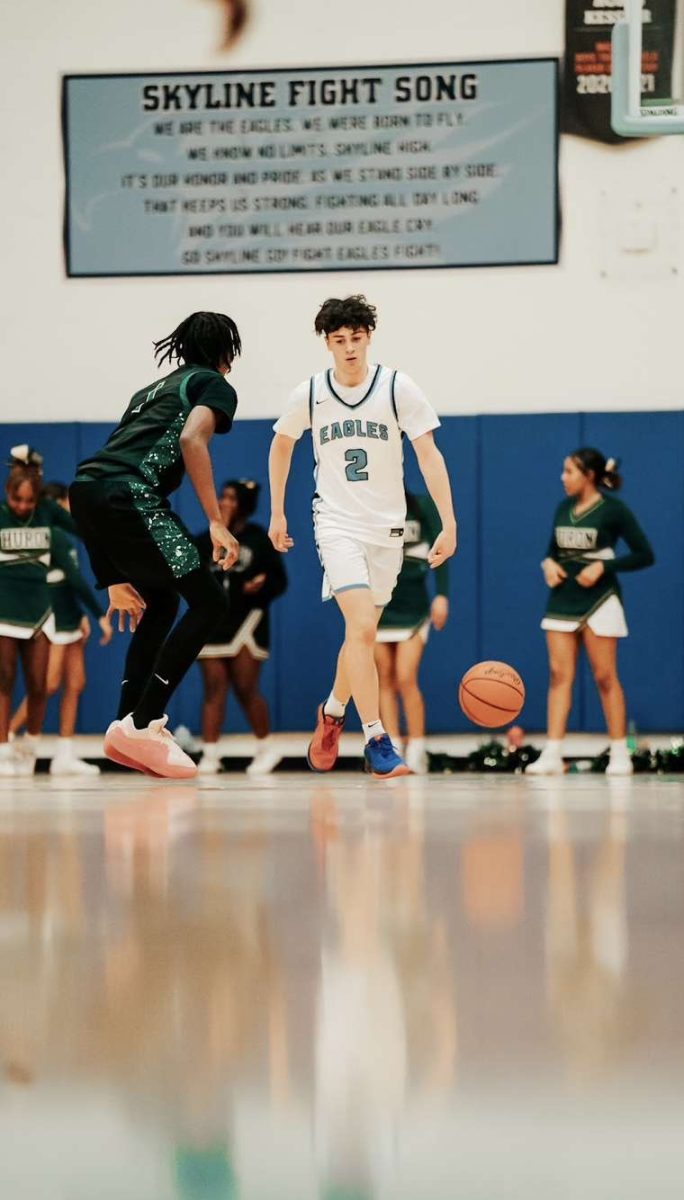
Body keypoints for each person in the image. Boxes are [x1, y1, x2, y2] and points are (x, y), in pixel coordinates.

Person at [268, 294, 457, 779]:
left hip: (386, 530)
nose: (349, 348)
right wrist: (277, 513)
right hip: (335, 523)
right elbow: (282, 445)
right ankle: (376, 739)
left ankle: (332, 712)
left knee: (360, 634)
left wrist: (448, 522)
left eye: (356, 338)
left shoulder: (397, 387)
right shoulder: (309, 393)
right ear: (326, 343)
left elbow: (429, 455)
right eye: (339, 340)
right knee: (364, 630)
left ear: (368, 337)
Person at [69, 311, 242, 779]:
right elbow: (191, 438)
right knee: (210, 602)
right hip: (130, 495)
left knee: (163, 602)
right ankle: (144, 724)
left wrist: (112, 578)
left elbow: (97, 481)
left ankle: (126, 724)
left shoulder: (148, 391)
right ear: (226, 354)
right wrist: (216, 521)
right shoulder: (213, 384)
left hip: (86, 489)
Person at [526, 448, 654, 777]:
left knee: (604, 676)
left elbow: (644, 554)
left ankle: (619, 752)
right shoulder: (563, 507)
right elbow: (552, 550)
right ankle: (553, 753)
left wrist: (604, 566)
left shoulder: (614, 510)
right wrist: (548, 564)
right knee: (558, 676)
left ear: (589, 475)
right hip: (562, 597)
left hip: (600, 598)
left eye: (569, 471)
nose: (563, 477)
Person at [10, 483, 113, 776]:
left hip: (70, 615)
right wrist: (98, 615)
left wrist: (80, 615)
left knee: (76, 683)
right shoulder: (52, 534)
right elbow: (75, 579)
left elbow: (68, 582)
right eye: (66, 502)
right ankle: (8, 739)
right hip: (53, 617)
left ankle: (64, 754)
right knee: (48, 684)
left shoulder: (61, 535)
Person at [196, 478, 287, 776]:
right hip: (213, 622)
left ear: (244, 505)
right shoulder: (203, 539)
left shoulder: (259, 539)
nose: (224, 502)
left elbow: (279, 581)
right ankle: (209, 755)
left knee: (246, 687)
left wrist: (259, 586)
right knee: (213, 688)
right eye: (223, 496)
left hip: (248, 620)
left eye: (232, 498)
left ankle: (265, 748)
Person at [0, 448, 79, 776]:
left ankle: (31, 746)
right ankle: (3, 749)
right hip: (5, 610)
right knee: (4, 681)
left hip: (39, 611)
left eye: (28, 502)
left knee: (38, 684)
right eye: (17, 501)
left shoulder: (47, 512)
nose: (22, 507)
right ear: (7, 494)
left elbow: (81, 528)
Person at [374, 490, 449, 775]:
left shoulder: (422, 505)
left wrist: (442, 594)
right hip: (380, 605)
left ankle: (417, 747)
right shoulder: (370, 504)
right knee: (384, 679)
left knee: (406, 677)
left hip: (414, 607)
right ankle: (392, 747)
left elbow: (441, 552)